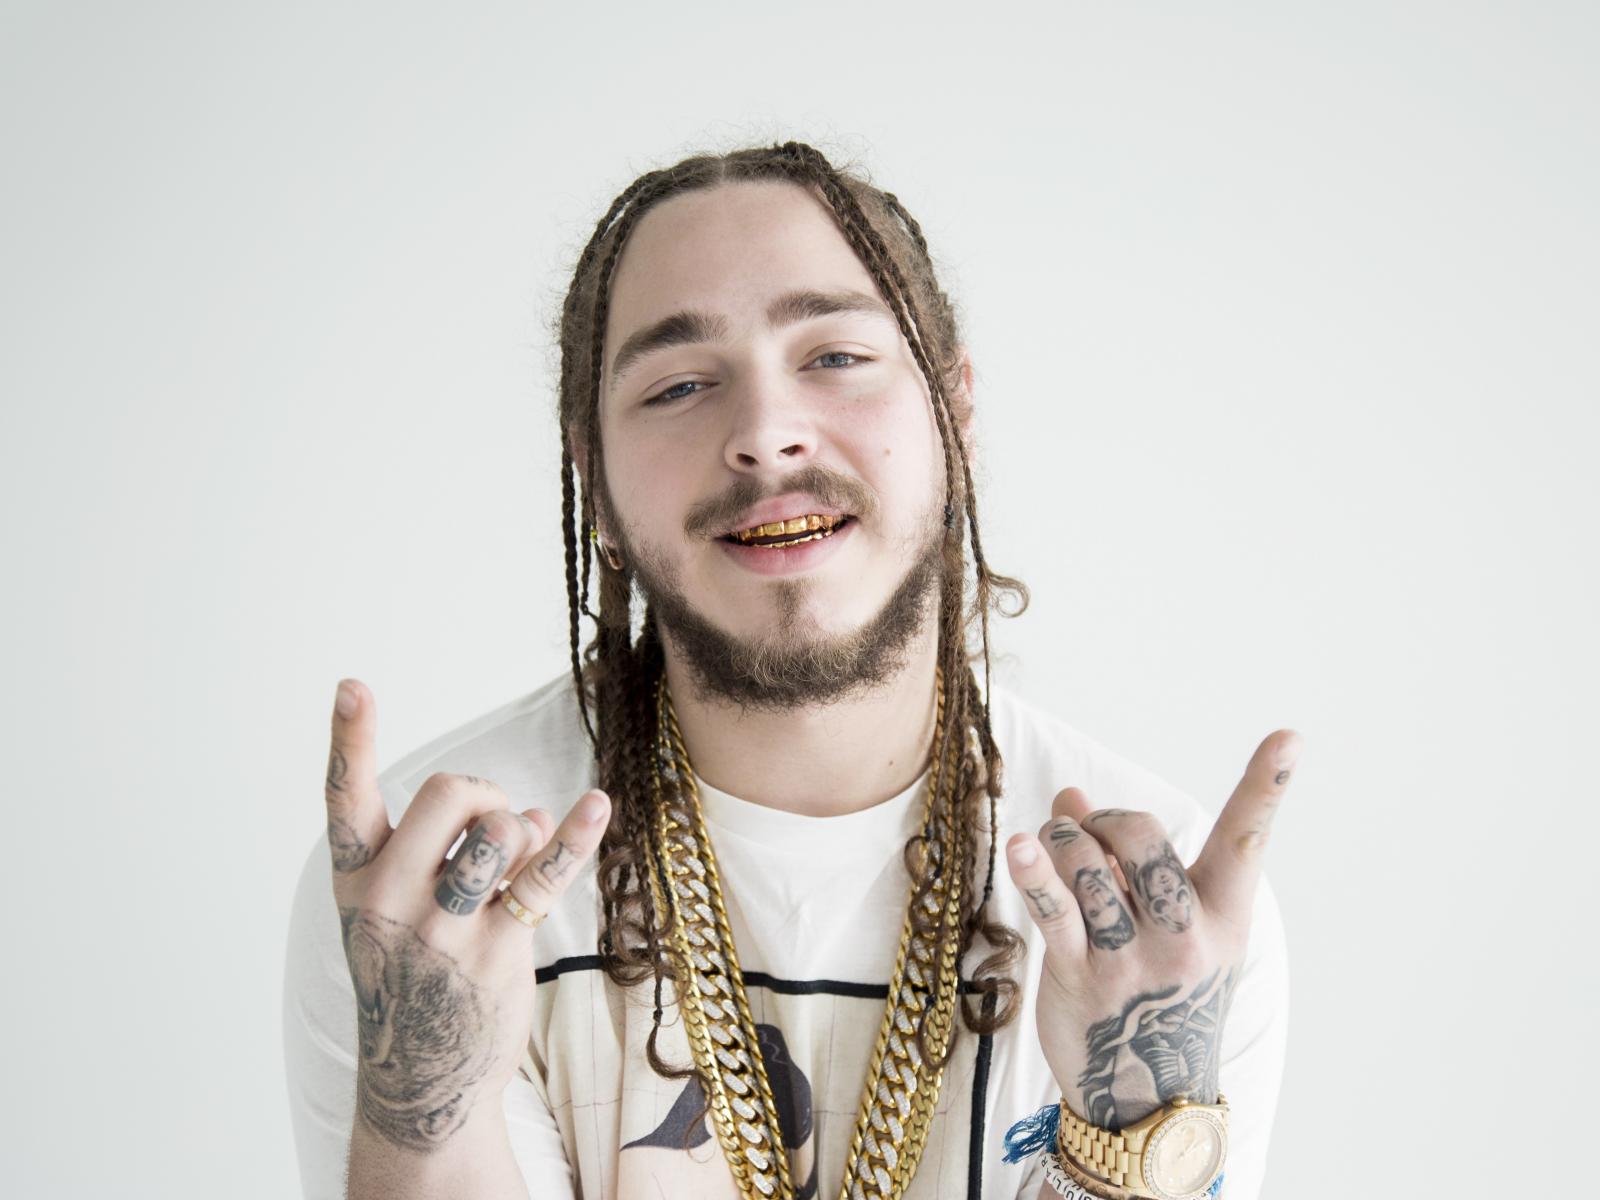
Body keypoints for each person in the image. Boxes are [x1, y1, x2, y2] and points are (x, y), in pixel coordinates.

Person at [284, 141, 1293, 1200]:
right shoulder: (425, 898)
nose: (765, 435)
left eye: (835, 357)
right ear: (596, 480)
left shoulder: (1160, 920)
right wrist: (424, 1110)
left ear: (954, 413)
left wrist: (1125, 1138)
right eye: (680, 385)